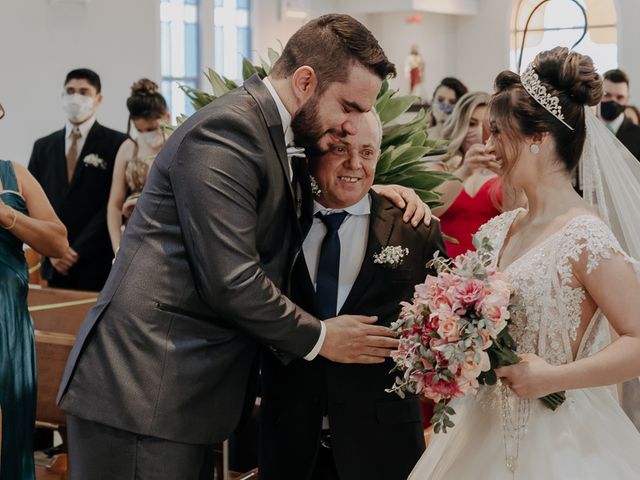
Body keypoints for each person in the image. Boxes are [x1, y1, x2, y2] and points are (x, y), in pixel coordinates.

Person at [57, 14, 431, 480]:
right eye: (349, 107)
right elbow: (230, 280)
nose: (352, 127)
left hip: (176, 395)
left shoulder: (270, 132)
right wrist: (322, 336)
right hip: (144, 389)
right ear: (306, 80)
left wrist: (374, 193)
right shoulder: (229, 132)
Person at [410, 47, 640, 479]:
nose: (487, 145)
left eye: (498, 133)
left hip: (563, 441)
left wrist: (556, 377)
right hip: (479, 427)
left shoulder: (585, 236)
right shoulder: (499, 230)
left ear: (539, 138)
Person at [259, 110, 445, 480]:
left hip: (384, 446)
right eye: (340, 149)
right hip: (292, 442)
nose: (354, 164)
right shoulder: (277, 222)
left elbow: (445, 327)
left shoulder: (414, 227)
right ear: (311, 153)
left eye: (367, 152)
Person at [0, 103, 68, 480]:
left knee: (8, 441)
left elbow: (58, 242)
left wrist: (7, 215)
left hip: (7, 332)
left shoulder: (16, 175)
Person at [28, 68, 127, 291]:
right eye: (70, 91)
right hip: (53, 261)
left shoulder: (117, 144)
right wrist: (51, 249)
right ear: (62, 96)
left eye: (84, 92)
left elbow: (113, 204)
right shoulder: (43, 146)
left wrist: (77, 250)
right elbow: (30, 200)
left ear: (98, 99)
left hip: (97, 259)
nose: (76, 97)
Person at [433, 91, 521, 257]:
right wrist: (465, 170)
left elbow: (517, 220)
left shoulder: (509, 169)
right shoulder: (442, 167)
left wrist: (506, 176)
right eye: (472, 124)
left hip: (494, 272)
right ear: (461, 125)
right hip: (445, 269)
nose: (480, 132)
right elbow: (430, 212)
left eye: (488, 126)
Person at [107, 79, 169, 253]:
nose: (146, 135)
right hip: (134, 232)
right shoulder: (128, 148)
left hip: (169, 231)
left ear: (166, 116)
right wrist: (117, 245)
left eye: (150, 129)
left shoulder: (176, 145)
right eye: (140, 131)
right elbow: (114, 204)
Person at [600, 68, 640, 159]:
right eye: (606, 95)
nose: (613, 101)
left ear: (627, 99)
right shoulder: (584, 128)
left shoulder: (638, 136)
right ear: (598, 94)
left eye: (620, 97)